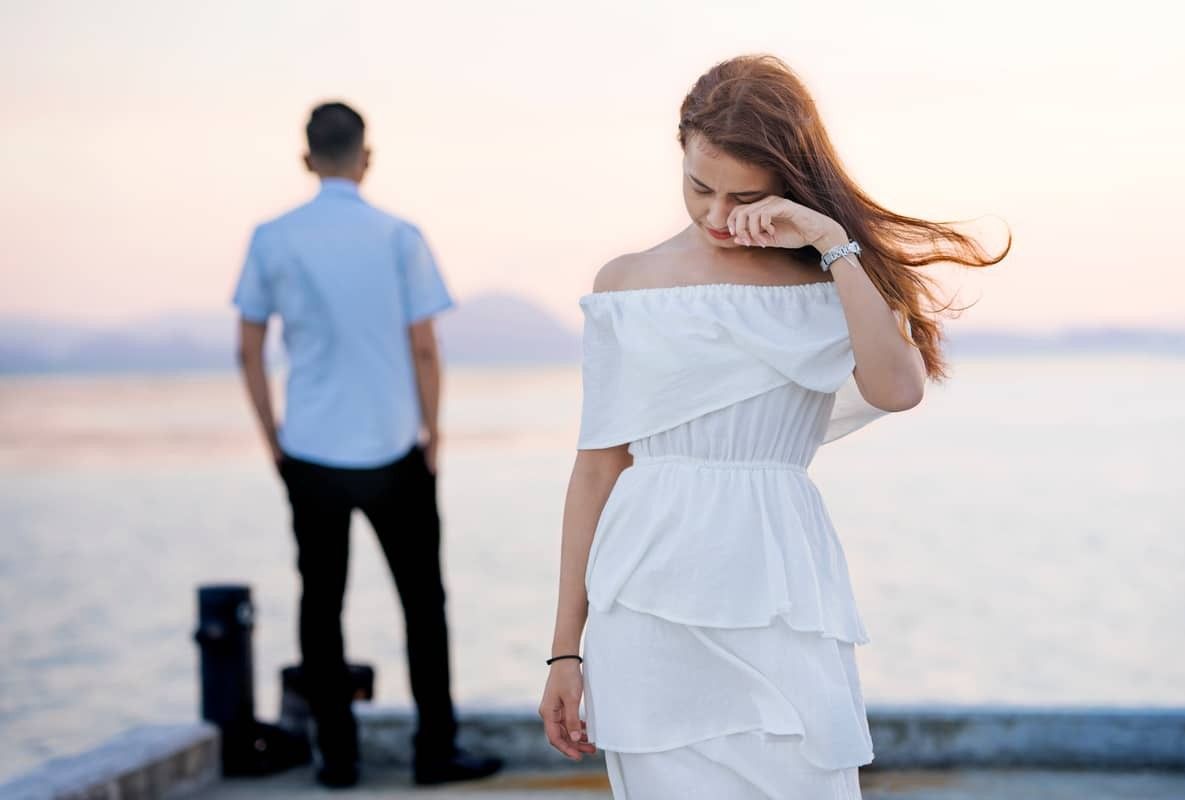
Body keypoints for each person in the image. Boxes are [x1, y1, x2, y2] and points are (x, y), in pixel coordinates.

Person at [539, 55, 1007, 798]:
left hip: (782, 596)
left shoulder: (827, 282)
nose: (718, 215)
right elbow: (597, 469)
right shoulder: (625, 285)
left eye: (745, 195)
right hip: (646, 604)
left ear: (790, 179)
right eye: (699, 187)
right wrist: (565, 653)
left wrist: (831, 240)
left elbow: (897, 388)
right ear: (680, 152)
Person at [233, 101, 503, 789]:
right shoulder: (399, 236)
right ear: (366, 156)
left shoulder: (272, 237)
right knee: (423, 604)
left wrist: (275, 441)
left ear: (305, 158)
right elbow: (424, 346)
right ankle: (435, 752)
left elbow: (249, 348)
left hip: (312, 451)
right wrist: (433, 431)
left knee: (320, 606)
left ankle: (338, 760)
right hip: (394, 449)